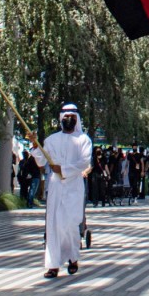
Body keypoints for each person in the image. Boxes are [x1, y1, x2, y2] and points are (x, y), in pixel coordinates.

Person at [32, 105, 91, 277]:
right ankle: (53, 265)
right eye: (66, 116)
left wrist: (62, 169)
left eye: (72, 116)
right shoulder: (51, 140)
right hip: (56, 187)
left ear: (77, 119)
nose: (68, 119)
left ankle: (73, 258)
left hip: (74, 186)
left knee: (70, 224)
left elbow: (84, 163)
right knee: (54, 225)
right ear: (61, 118)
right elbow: (41, 162)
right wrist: (35, 146)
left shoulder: (83, 139)